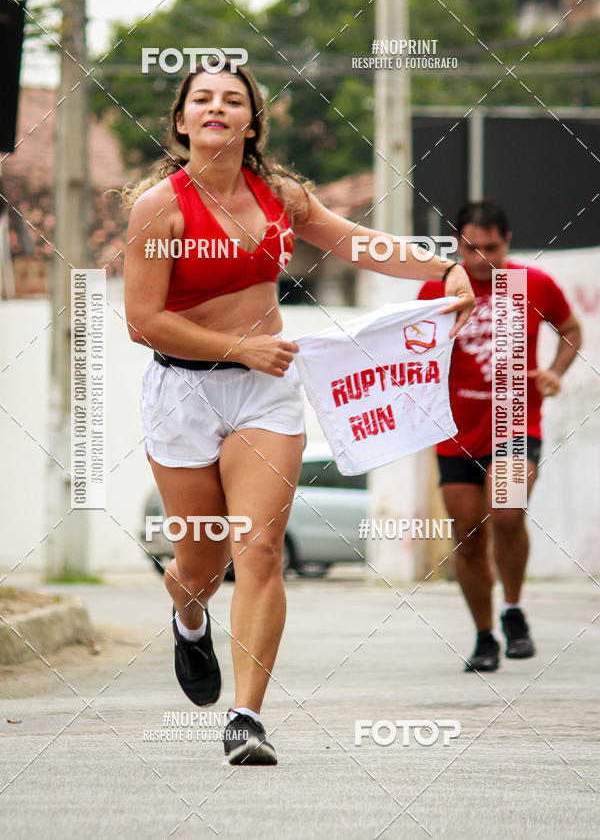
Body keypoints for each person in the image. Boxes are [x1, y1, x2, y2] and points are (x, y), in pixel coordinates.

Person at [123, 60, 475, 765]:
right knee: (200, 560)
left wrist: (441, 268)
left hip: (266, 393)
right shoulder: (159, 207)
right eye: (202, 99)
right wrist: (236, 348)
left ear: (251, 122)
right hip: (183, 391)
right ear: (182, 120)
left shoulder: (280, 196)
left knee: (256, 548)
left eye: (233, 100)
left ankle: (246, 717)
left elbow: (357, 243)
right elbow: (142, 321)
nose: (217, 108)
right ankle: (189, 619)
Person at [418, 200, 582, 673]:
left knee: (507, 514)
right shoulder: (437, 288)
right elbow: (405, 346)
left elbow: (570, 329)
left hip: (514, 421)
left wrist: (553, 372)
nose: (480, 258)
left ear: (507, 242)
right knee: (468, 536)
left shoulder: (532, 284)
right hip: (454, 431)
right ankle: (485, 635)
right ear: (457, 245)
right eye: (470, 247)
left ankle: (512, 609)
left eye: (490, 247)